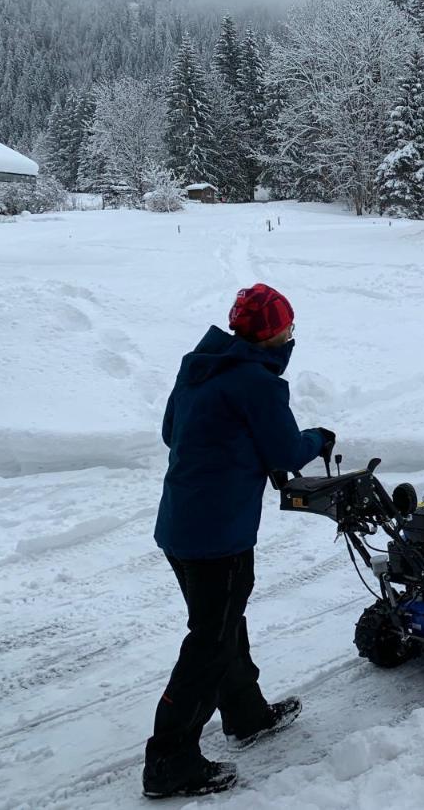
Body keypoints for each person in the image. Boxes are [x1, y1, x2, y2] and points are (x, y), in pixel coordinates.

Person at [142, 283, 334, 799]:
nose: (292, 335)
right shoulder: (258, 383)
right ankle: (170, 759)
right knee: (209, 641)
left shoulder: (200, 365)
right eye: (289, 327)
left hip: (178, 527)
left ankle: (246, 714)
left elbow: (171, 433)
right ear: (273, 334)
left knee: (223, 624)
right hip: (218, 535)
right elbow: (287, 450)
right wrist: (320, 437)